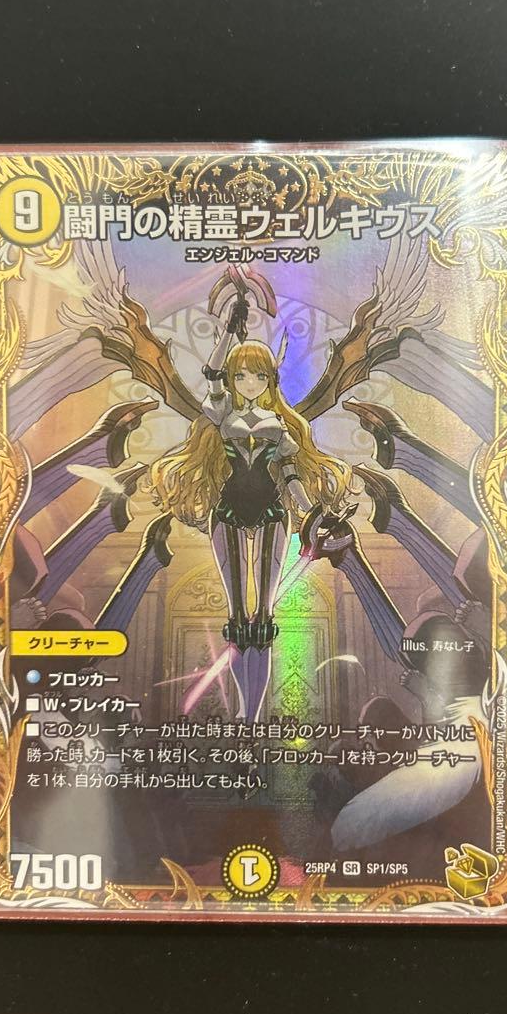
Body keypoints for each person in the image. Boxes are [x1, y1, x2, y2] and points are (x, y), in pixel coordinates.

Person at [149, 292, 352, 720]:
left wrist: (312, 514)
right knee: (239, 615)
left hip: (274, 514)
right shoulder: (223, 413)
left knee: (263, 616)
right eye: (240, 375)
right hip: (226, 514)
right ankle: (246, 714)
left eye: (257, 375)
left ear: (270, 379)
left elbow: (291, 475)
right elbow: (210, 373)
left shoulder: (280, 425)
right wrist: (228, 330)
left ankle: (252, 714)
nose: (248, 382)